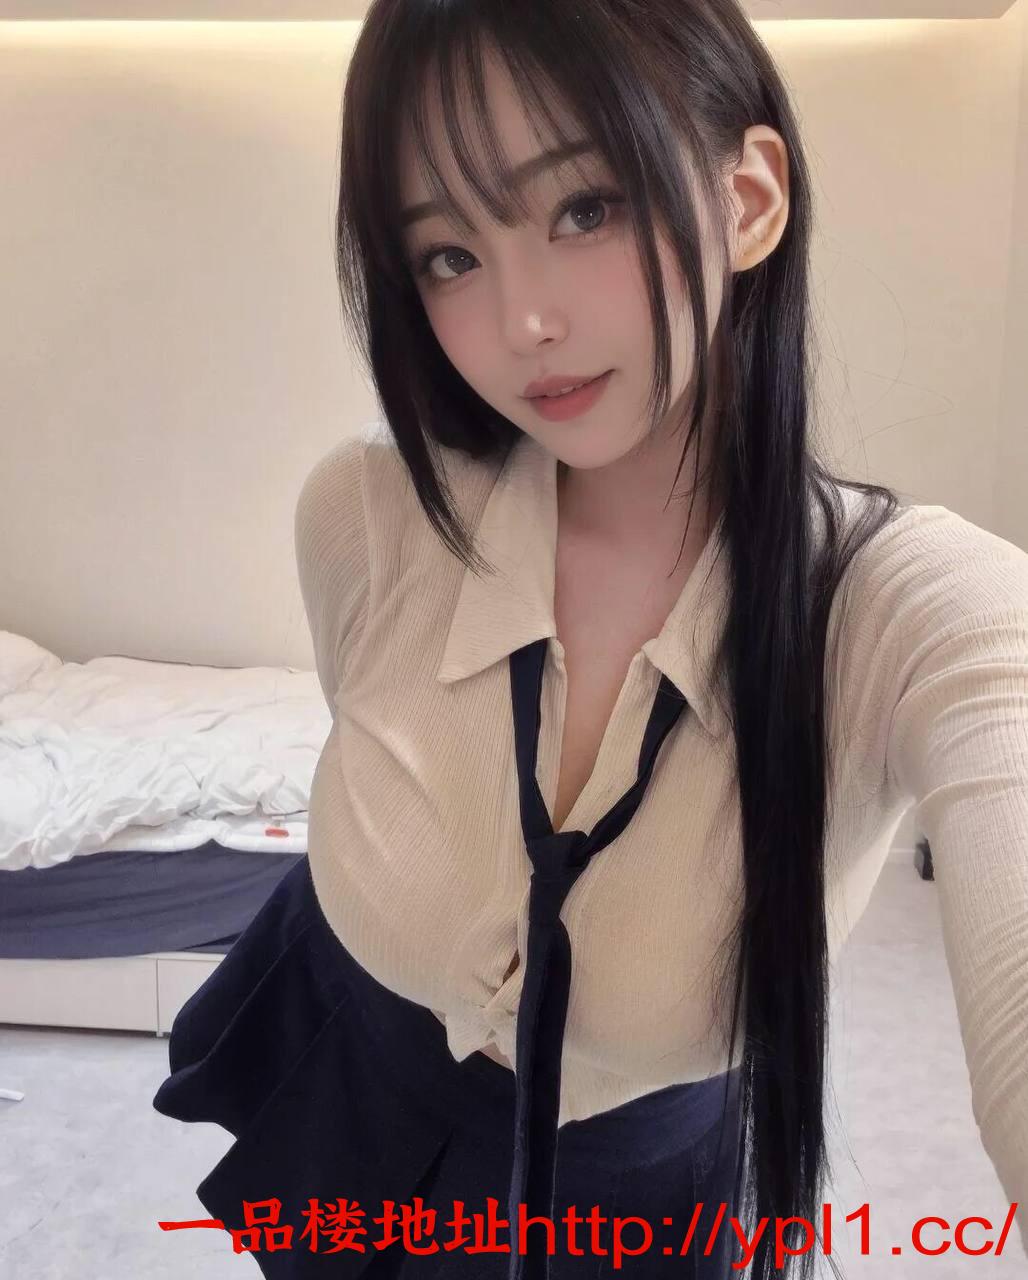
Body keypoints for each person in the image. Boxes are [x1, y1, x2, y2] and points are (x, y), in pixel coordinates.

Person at [153, 1, 1028, 1276]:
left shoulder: (903, 609)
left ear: (746, 200)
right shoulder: (365, 513)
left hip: (637, 1187)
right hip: (357, 1080)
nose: (521, 323)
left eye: (582, 208)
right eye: (449, 254)